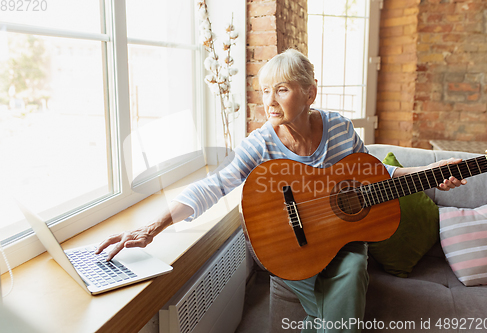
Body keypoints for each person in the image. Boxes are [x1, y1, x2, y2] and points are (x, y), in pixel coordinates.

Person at [96, 49, 465, 332]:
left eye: (282, 90)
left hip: (339, 240)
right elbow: (215, 184)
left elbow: (370, 171)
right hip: (287, 244)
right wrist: (150, 229)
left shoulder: (337, 128)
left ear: (310, 93)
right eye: (265, 91)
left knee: (353, 269)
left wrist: (429, 171)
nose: (268, 101)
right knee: (329, 282)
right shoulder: (260, 144)